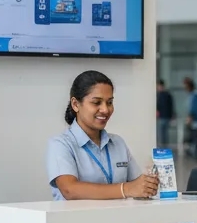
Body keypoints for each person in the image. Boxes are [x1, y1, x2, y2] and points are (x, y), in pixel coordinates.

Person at [47, 70, 159, 200]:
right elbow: (69, 189)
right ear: (75, 104)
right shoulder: (60, 144)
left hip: (119, 219)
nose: (105, 109)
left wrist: (150, 183)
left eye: (109, 102)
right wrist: (125, 189)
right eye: (96, 102)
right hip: (78, 220)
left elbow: (137, 185)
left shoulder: (118, 143)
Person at [156, 79, 175, 149]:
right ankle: (163, 148)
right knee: (163, 134)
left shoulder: (161, 95)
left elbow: (170, 106)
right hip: (163, 117)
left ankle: (162, 148)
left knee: (162, 134)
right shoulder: (166, 95)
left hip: (163, 117)